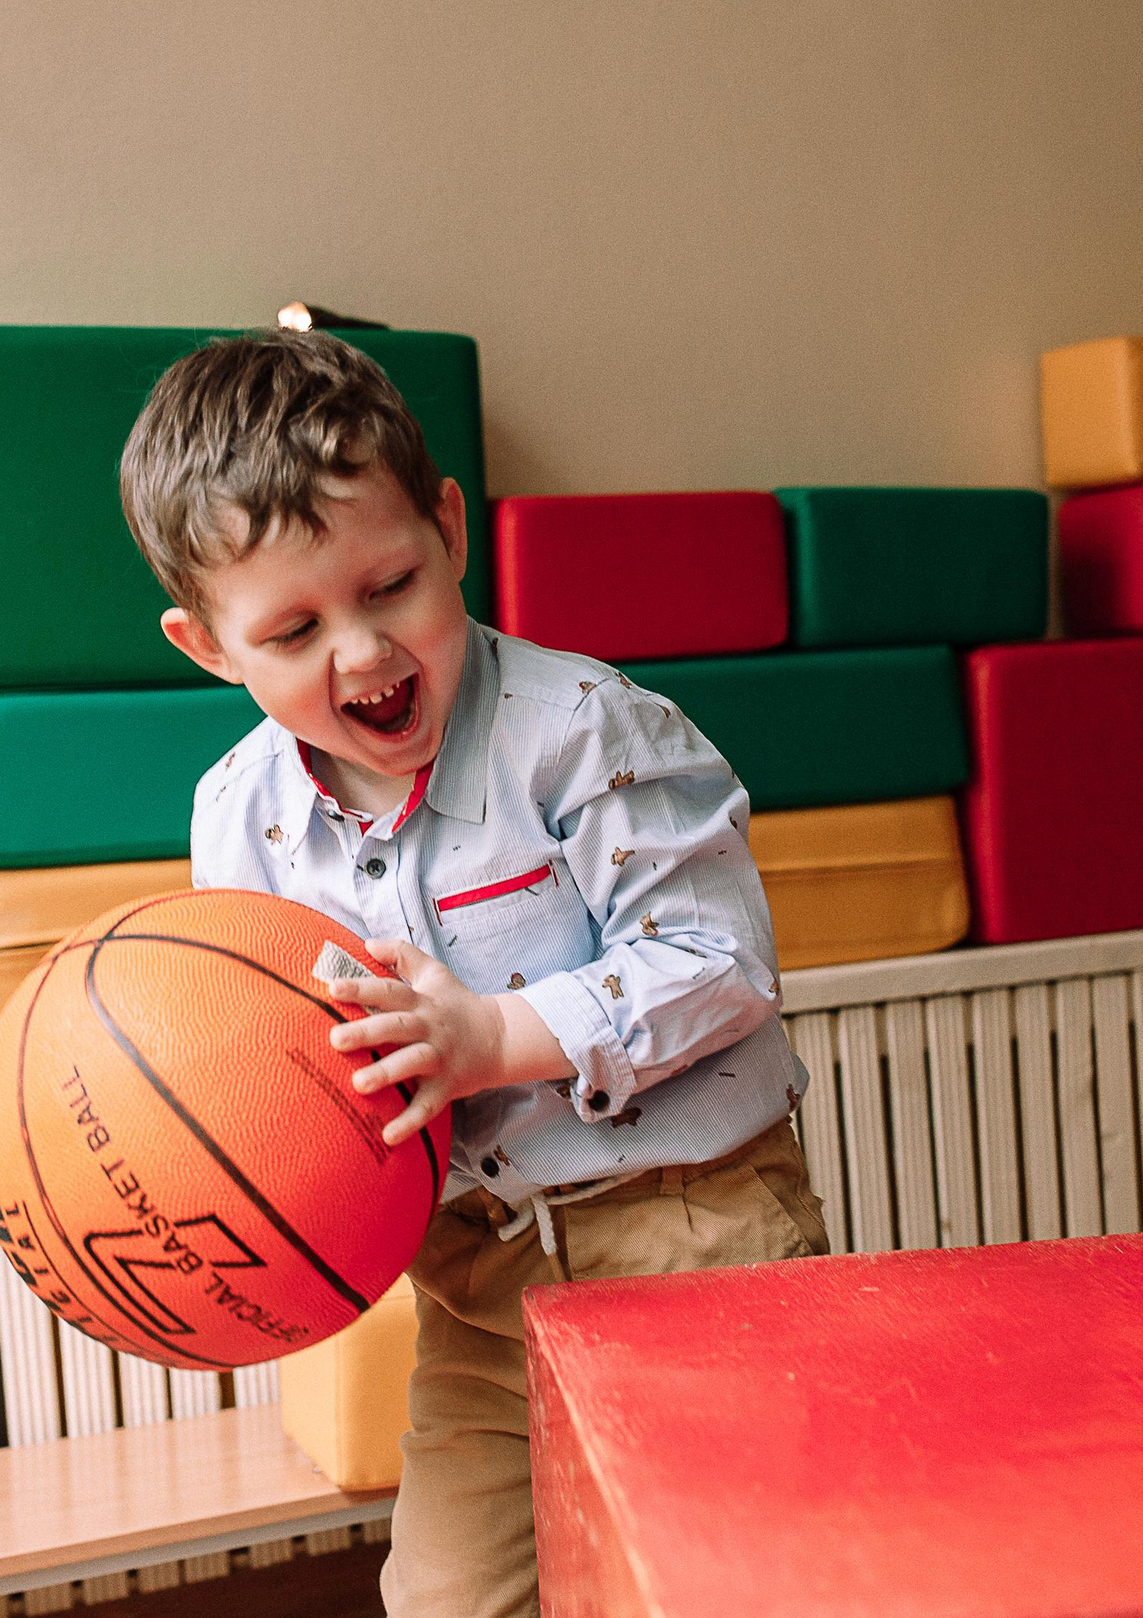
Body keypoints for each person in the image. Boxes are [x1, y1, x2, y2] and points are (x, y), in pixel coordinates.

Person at [119, 328, 827, 1616]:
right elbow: (268, 1067)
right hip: (477, 1285)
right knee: (446, 1597)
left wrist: (495, 1036)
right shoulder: (235, 816)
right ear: (207, 645)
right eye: (291, 627)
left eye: (389, 584)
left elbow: (720, 961)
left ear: (449, 527)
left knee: (723, 1583)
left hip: (691, 1241)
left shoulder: (583, 730)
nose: (362, 652)